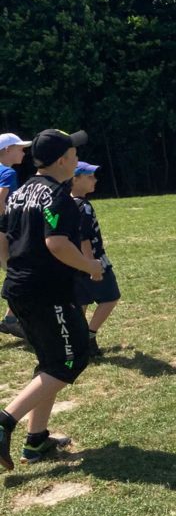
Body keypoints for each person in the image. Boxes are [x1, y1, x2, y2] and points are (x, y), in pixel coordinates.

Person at [0, 128, 104, 471]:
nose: (77, 159)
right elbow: (56, 243)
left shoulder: (20, 192)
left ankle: (37, 441)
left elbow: (2, 238)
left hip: (19, 289)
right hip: (47, 294)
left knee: (50, 360)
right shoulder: (59, 196)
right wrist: (90, 266)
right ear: (62, 160)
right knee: (71, 360)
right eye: (74, 154)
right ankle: (5, 421)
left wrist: (15, 270)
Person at [71, 162, 120, 358]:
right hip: (93, 261)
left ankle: (77, 343)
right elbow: (84, 239)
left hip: (74, 262)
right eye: (90, 176)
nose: (95, 180)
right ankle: (89, 336)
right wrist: (92, 266)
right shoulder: (83, 207)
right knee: (110, 296)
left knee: (81, 302)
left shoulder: (67, 203)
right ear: (75, 179)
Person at [0, 132, 32, 338]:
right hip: (4, 232)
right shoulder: (7, 173)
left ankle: (11, 318)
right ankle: (12, 320)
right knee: (19, 274)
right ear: (6, 150)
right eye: (20, 148)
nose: (23, 152)